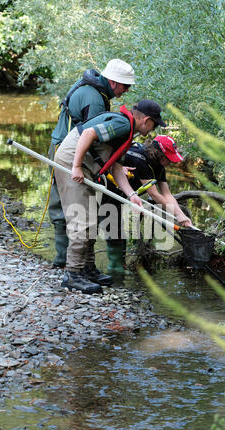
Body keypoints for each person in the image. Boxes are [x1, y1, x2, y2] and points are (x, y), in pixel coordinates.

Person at [53, 99, 166, 294]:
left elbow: (116, 167)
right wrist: (77, 166)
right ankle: (73, 274)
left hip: (84, 166)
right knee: (83, 220)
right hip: (71, 162)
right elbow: (88, 133)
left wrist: (131, 195)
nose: (153, 129)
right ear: (146, 120)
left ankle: (87, 269)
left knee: (92, 219)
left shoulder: (127, 132)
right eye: (155, 124)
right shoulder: (122, 125)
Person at [48, 59, 135, 268]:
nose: (127, 90)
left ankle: (70, 261)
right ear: (113, 82)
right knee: (71, 205)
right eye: (126, 86)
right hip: (67, 152)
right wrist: (111, 165)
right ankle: (68, 263)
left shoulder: (93, 89)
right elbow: (91, 137)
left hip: (62, 148)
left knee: (65, 203)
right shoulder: (94, 98)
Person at [103, 135, 193, 273]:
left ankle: (119, 266)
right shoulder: (140, 159)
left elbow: (167, 194)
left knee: (118, 229)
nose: (171, 162)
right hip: (107, 189)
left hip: (123, 193)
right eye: (168, 158)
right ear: (159, 154)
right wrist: (177, 215)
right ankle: (114, 269)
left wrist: (181, 216)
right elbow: (154, 194)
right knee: (110, 227)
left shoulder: (159, 165)